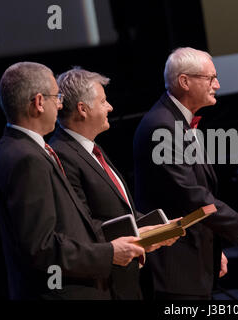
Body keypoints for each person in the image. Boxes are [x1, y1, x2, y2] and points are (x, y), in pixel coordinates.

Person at [0, 62, 146, 299]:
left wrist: (134, 236)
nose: (61, 104)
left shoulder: (23, 149)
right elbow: (41, 247)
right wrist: (109, 253)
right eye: (57, 97)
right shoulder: (25, 158)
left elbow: (73, 223)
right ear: (39, 103)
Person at [133, 47, 238, 300]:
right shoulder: (162, 126)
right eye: (210, 78)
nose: (218, 85)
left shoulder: (179, 122)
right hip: (173, 270)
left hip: (192, 261)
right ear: (185, 81)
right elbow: (192, 196)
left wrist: (213, 250)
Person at [48, 67, 179, 299]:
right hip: (103, 284)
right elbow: (81, 225)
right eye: (103, 101)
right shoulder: (62, 155)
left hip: (124, 278)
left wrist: (158, 227)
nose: (110, 107)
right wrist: (139, 232)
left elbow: (118, 209)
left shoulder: (91, 148)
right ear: (83, 109)